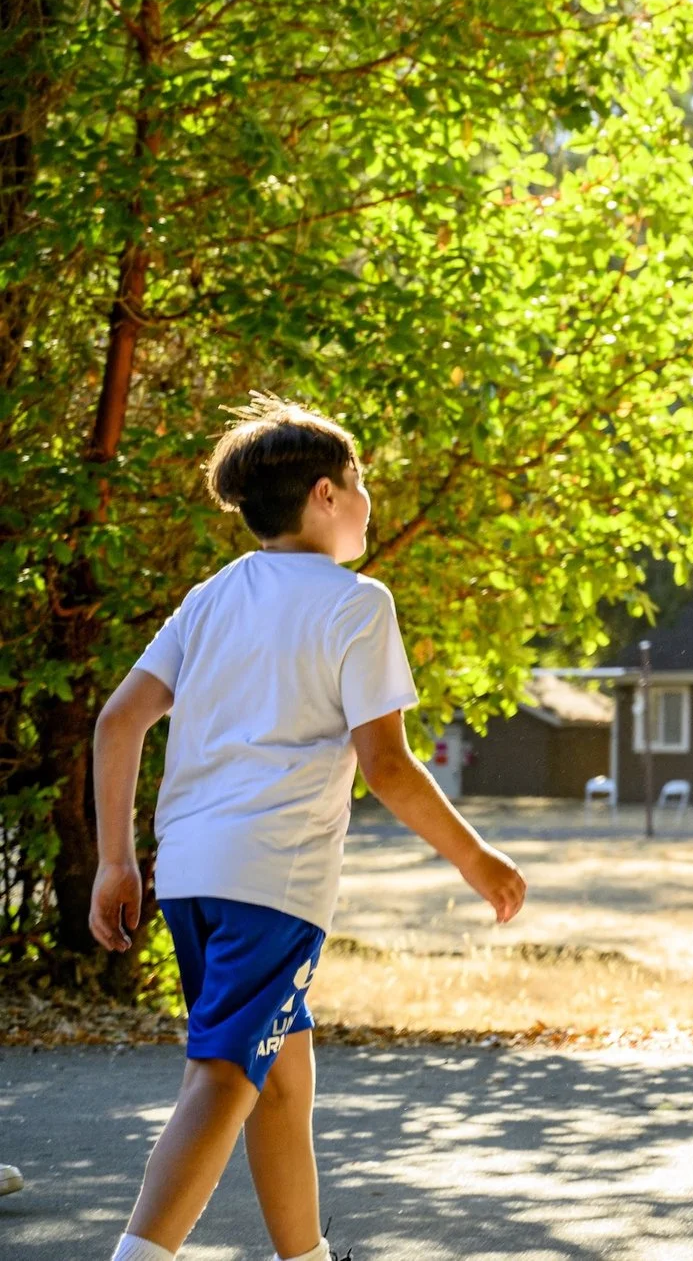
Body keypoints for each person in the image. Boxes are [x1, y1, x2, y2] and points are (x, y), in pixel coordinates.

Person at [88, 397, 527, 1261]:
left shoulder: (210, 597)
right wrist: (476, 858)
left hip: (188, 875)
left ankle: (307, 1258)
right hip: (271, 881)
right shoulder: (356, 604)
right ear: (325, 494)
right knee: (220, 1075)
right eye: (359, 482)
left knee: (281, 1075)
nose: (367, 498)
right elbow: (388, 764)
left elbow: (117, 721)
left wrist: (116, 862)